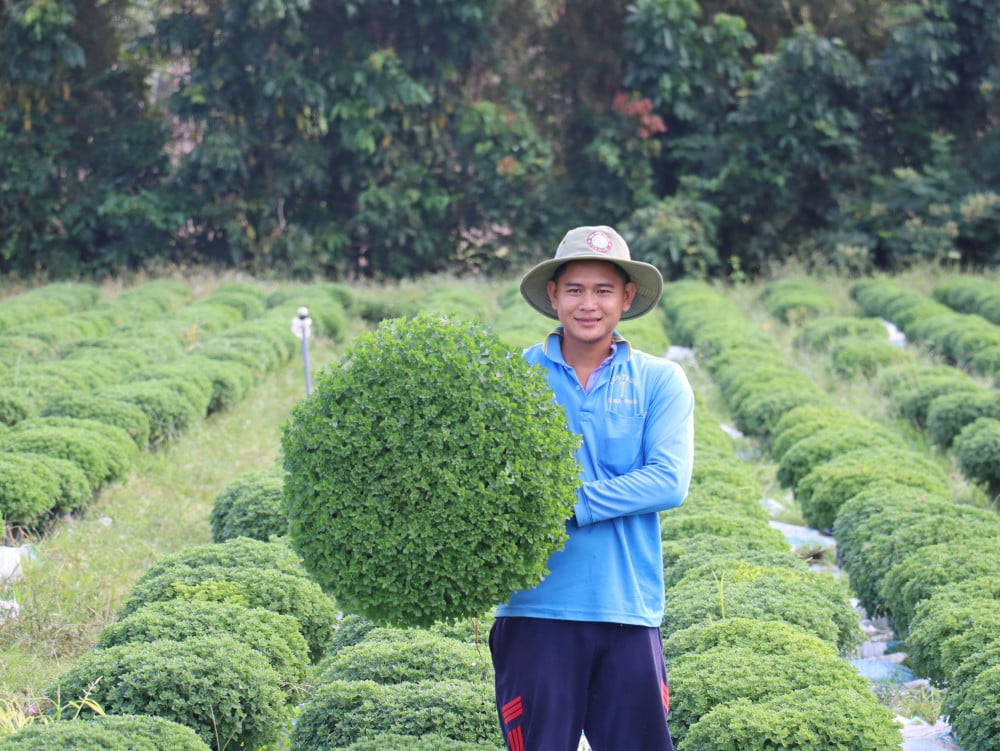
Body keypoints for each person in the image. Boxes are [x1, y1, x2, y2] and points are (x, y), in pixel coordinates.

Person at [489, 225, 695, 751]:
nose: (589, 303)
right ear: (553, 295)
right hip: (534, 610)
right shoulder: (513, 379)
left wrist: (568, 503)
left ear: (626, 298)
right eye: (575, 289)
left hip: (627, 608)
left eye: (604, 290)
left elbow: (668, 480)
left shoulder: (659, 380)